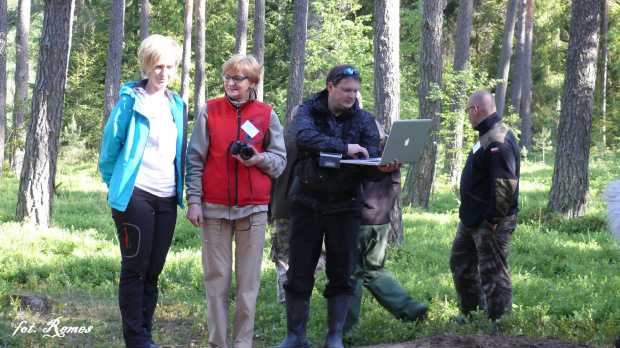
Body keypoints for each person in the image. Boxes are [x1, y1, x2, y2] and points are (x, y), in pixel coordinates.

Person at [272, 65, 401, 348]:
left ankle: (334, 337)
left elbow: (369, 168)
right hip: (307, 204)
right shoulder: (308, 111)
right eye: (346, 90)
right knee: (299, 272)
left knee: (342, 273)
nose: (351, 96)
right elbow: (304, 136)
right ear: (330, 86)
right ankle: (295, 336)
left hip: (346, 207)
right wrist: (345, 148)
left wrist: (384, 168)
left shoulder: (365, 120)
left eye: (355, 91)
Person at [185, 54, 286, 348]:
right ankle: (218, 344)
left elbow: (279, 161)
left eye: (237, 78)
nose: (230, 83)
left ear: (252, 82)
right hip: (214, 209)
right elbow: (195, 158)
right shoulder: (210, 111)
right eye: (227, 77)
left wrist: (260, 159)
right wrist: (194, 200)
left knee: (248, 284)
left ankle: (242, 344)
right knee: (216, 281)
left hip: (253, 210)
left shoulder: (267, 114)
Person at [99, 34, 187, 348]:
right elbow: (109, 151)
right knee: (135, 267)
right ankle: (136, 339)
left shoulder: (178, 105)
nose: (163, 73)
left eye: (169, 66)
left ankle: (144, 334)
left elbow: (181, 153)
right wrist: (118, 188)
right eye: (157, 66)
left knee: (153, 270)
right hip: (134, 197)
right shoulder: (130, 100)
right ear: (146, 66)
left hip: (167, 197)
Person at [343, 121, 428, 333]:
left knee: (349, 274)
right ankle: (411, 309)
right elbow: (394, 183)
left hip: (359, 219)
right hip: (381, 220)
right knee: (374, 270)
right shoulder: (393, 145)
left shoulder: (359, 144)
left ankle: (344, 331)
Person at [450, 90, 520, 322]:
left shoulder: (498, 139)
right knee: (461, 264)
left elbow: (504, 185)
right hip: (471, 218)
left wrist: (492, 219)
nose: (468, 115)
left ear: (476, 110)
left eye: (468, 110)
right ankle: (473, 316)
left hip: (490, 221)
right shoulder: (487, 134)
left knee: (494, 274)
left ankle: (500, 326)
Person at [268, 105, 325, 304]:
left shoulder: (279, 142)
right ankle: (295, 292)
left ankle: (286, 297)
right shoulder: (319, 141)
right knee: (317, 252)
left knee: (283, 254)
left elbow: (270, 178)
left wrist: (269, 209)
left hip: (282, 208)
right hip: (310, 208)